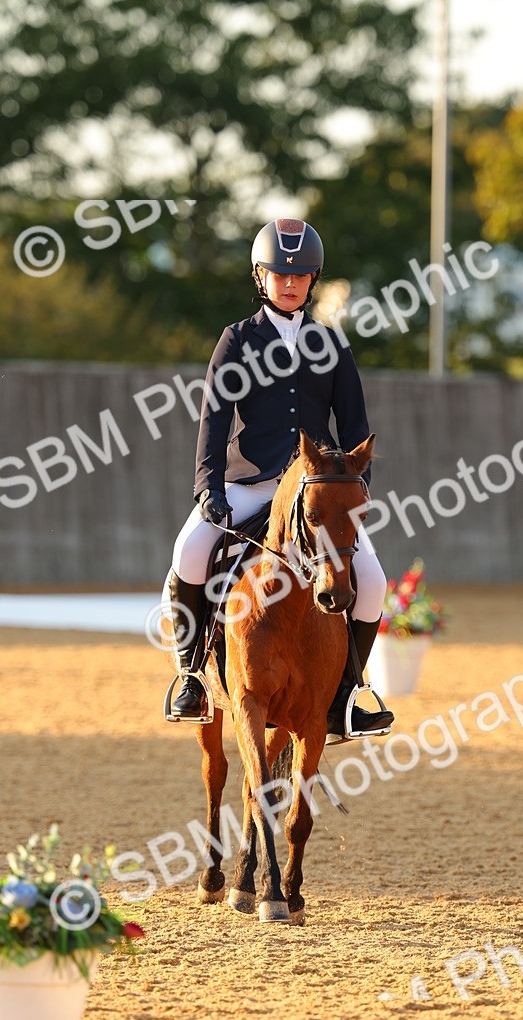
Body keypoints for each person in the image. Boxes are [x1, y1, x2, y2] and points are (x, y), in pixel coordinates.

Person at [165, 217, 393, 739]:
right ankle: (192, 674)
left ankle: (349, 692)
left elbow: (354, 425)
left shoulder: (330, 343)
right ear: (260, 277)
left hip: (314, 494)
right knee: (189, 554)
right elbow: (213, 420)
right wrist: (209, 489)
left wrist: (354, 487)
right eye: (279, 275)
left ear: (313, 281)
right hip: (248, 487)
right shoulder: (236, 340)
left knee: (374, 582)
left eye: (300, 276)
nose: (289, 284)